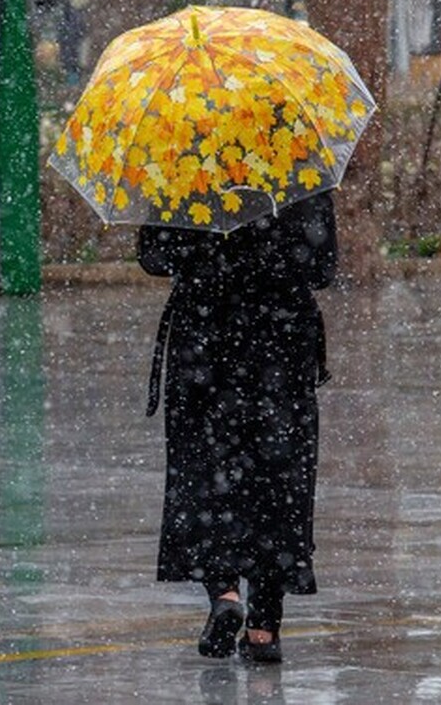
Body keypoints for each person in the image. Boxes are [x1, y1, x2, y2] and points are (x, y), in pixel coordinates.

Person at [138, 191, 337, 663]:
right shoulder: (297, 168)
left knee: (206, 471)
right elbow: (322, 267)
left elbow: (154, 254)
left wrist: (211, 251)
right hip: (280, 342)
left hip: (206, 338)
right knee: (277, 480)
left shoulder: (181, 157)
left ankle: (225, 594)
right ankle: (265, 626)